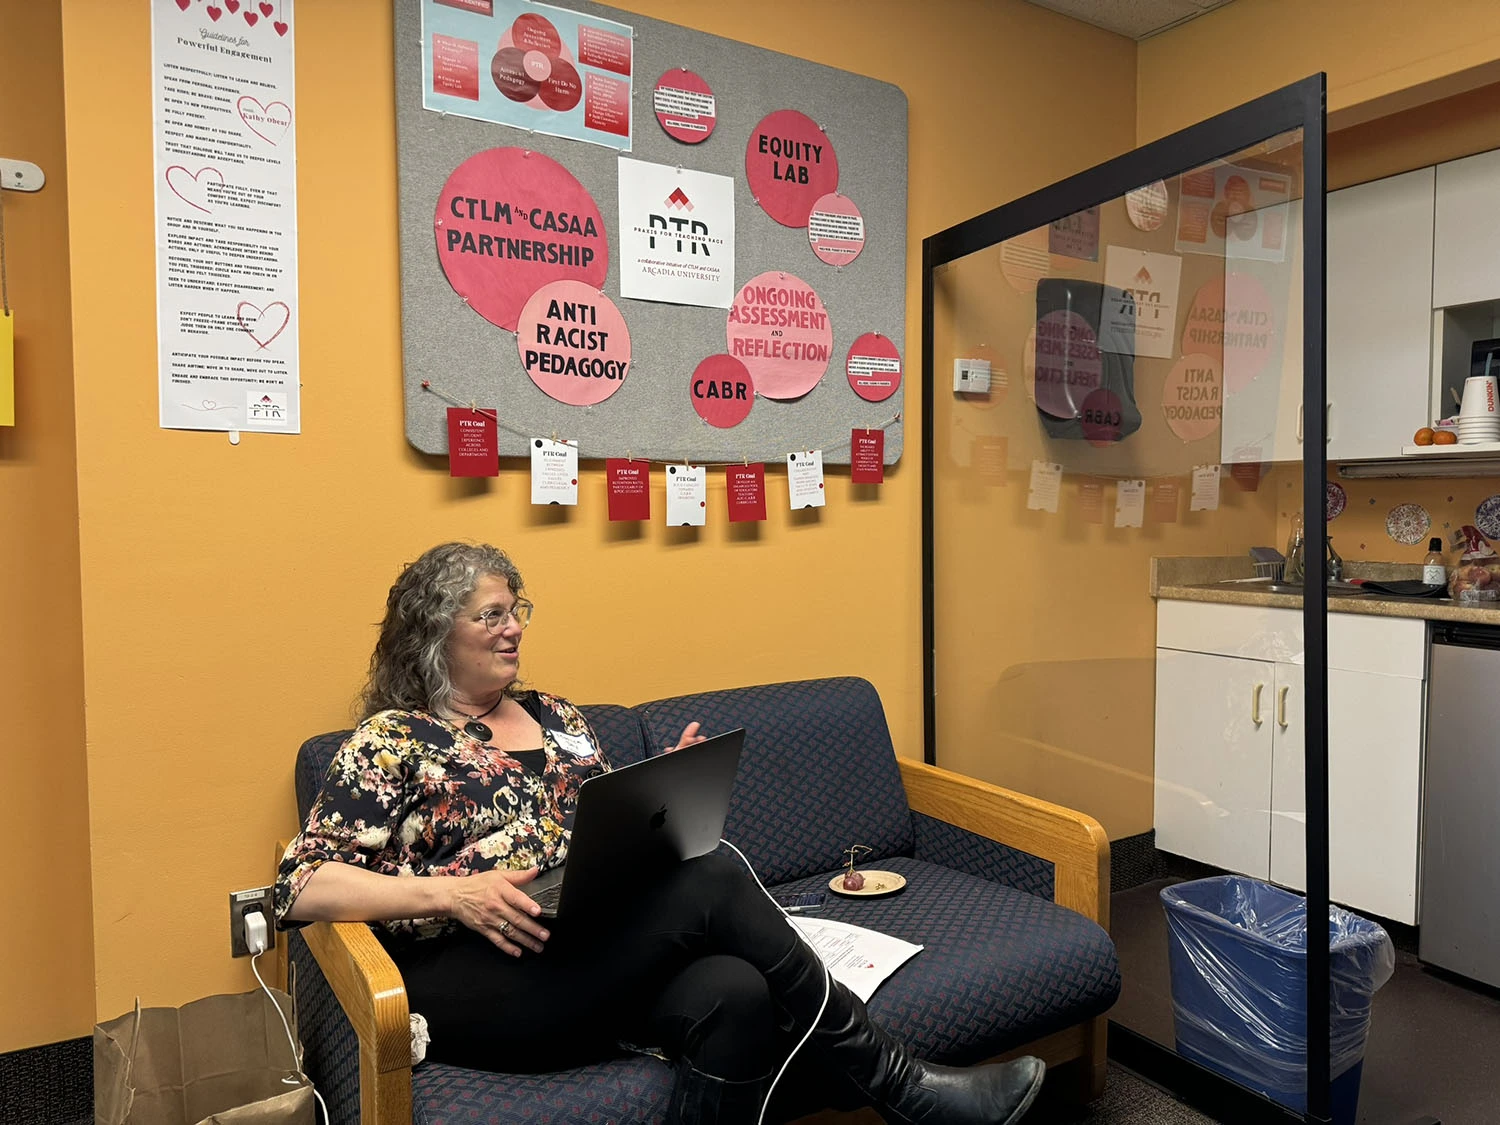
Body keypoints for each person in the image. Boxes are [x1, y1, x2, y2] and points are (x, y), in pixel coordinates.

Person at [275, 542, 1044, 1125]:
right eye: (491, 615)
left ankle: (894, 1083)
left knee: (736, 994)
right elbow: (303, 886)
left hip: (589, 945)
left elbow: (607, 837)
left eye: (518, 611)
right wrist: (453, 893)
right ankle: (899, 1084)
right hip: (481, 969)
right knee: (711, 877)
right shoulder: (394, 739)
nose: (513, 629)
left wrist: (665, 796)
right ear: (435, 632)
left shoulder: (561, 718)